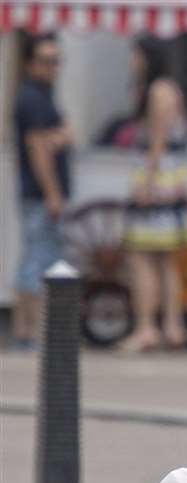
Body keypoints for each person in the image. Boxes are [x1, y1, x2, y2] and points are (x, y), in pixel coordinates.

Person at [117, 36, 187, 352]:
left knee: (140, 257)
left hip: (157, 185)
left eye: (136, 54)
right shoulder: (170, 89)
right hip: (171, 185)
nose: (133, 60)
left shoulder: (158, 90)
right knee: (165, 261)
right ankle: (173, 327)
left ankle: (146, 326)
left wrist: (145, 184)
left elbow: (157, 143)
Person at [11, 33, 71, 350]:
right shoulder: (32, 98)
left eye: (57, 60)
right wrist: (52, 192)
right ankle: (26, 331)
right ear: (31, 64)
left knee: (43, 261)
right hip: (39, 195)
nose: (53, 67)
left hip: (39, 195)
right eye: (47, 61)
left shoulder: (43, 95)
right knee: (36, 263)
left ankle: (31, 331)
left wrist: (59, 137)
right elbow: (38, 149)